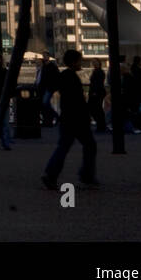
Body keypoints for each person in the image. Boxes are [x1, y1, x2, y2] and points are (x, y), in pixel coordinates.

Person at [42, 49, 98, 189]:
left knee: (64, 146)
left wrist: (55, 114)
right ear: (74, 62)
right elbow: (78, 100)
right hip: (78, 119)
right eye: (79, 60)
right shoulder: (72, 77)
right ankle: (86, 175)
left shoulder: (64, 76)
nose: (81, 62)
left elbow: (48, 97)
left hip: (67, 118)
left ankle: (51, 174)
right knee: (89, 145)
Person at [36, 56, 60, 127]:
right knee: (45, 104)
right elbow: (38, 80)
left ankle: (53, 117)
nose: (37, 63)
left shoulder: (45, 69)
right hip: (41, 89)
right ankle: (49, 119)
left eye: (39, 62)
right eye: (37, 62)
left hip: (46, 89)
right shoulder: (39, 70)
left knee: (45, 103)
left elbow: (45, 79)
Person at [87, 59, 108, 134]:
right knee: (96, 109)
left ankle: (101, 125)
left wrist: (95, 92)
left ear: (99, 63)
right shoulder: (96, 71)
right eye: (93, 62)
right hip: (95, 92)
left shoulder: (99, 72)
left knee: (96, 109)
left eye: (95, 62)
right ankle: (101, 125)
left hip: (97, 93)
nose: (94, 63)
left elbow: (98, 83)